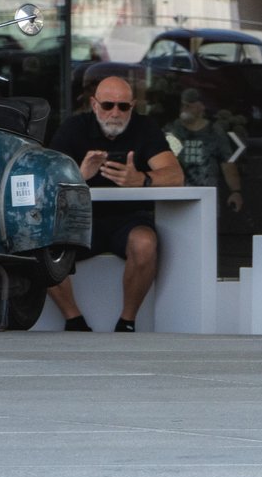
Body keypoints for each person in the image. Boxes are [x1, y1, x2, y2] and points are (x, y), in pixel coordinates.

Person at [48, 73, 184, 332]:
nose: (115, 113)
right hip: (80, 219)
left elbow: (175, 175)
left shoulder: (144, 128)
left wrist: (141, 179)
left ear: (132, 106)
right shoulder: (74, 128)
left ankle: (127, 322)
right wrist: (80, 176)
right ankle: (73, 320)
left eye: (123, 106)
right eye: (108, 105)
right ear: (94, 104)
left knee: (144, 243)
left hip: (129, 218)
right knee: (40, 244)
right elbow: (48, 180)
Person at [164, 85, 242, 215]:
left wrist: (236, 191)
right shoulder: (172, 130)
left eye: (190, 105)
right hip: (176, 196)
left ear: (202, 106)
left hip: (207, 196)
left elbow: (227, 163)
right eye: (183, 105)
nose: (185, 108)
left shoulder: (214, 132)